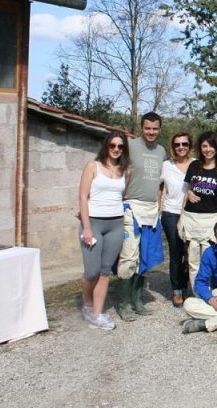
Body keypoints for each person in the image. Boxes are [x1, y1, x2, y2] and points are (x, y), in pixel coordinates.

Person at [117, 112, 167, 322]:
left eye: (155, 129)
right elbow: (116, 172)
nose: (151, 132)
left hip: (151, 209)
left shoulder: (161, 151)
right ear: (141, 128)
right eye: (148, 128)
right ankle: (124, 303)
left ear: (159, 129)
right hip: (131, 206)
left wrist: (159, 204)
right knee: (129, 256)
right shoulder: (129, 146)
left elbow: (161, 182)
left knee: (145, 257)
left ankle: (137, 300)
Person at [78, 131, 129, 330]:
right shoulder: (93, 166)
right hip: (93, 223)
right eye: (112, 145)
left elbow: (120, 196)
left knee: (105, 270)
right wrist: (87, 227)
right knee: (92, 271)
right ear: (106, 146)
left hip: (115, 224)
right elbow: (83, 197)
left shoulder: (125, 170)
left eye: (120, 146)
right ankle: (87, 302)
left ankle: (97, 314)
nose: (116, 149)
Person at [181, 132, 217, 291]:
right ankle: (198, 293)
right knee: (193, 261)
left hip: (212, 220)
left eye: (211, 146)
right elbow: (187, 191)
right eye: (204, 146)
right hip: (191, 218)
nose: (208, 149)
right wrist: (180, 218)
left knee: (209, 259)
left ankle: (209, 292)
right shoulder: (194, 166)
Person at [160, 132, 192, 307]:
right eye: (178, 144)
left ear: (189, 146)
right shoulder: (166, 165)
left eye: (184, 144)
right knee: (175, 252)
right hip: (170, 213)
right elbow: (159, 188)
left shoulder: (196, 164)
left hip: (191, 214)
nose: (181, 147)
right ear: (173, 147)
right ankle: (177, 290)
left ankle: (186, 285)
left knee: (190, 253)